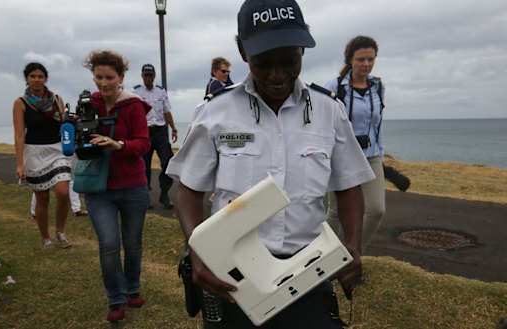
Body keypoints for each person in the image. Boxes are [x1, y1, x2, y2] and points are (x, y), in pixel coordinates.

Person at [166, 1, 375, 328]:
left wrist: (352, 246)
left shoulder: (328, 111)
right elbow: (188, 191)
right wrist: (199, 249)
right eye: (264, 63)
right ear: (243, 51)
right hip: (233, 276)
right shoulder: (215, 113)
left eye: (289, 60)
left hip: (309, 270)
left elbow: (348, 185)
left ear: (303, 50)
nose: (278, 75)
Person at [81, 50, 151, 323]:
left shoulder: (133, 105)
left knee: (132, 244)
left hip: (134, 186)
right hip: (99, 188)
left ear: (121, 78)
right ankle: (116, 298)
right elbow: (76, 144)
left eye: (110, 77)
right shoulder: (88, 104)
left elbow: (144, 144)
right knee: (109, 244)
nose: (104, 83)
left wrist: (118, 145)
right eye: (99, 77)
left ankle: (132, 289)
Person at [325, 35, 386, 253]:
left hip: (371, 156)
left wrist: (381, 153)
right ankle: (322, 259)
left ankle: (351, 257)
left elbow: (377, 125)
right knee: (335, 212)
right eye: (361, 59)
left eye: (371, 59)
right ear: (350, 60)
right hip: (341, 157)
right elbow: (324, 122)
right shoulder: (335, 87)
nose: (366, 64)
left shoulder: (378, 87)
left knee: (376, 210)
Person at [13, 62, 72, 249]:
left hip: (57, 150)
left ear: (45, 78)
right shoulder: (20, 103)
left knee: (63, 193)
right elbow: (19, 134)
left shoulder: (56, 99)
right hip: (34, 152)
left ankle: (60, 231)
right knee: (42, 198)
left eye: (40, 76)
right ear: (26, 79)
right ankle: (45, 237)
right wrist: (20, 163)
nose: (37, 80)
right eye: (33, 76)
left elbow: (64, 124)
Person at [132, 64, 177, 210]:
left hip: (160, 132)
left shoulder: (160, 91)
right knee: (144, 166)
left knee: (168, 162)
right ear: (142, 76)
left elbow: (167, 111)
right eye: (145, 75)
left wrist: (174, 129)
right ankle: (146, 197)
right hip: (144, 132)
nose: (147, 78)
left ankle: (164, 193)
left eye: (150, 75)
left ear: (154, 76)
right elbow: (132, 114)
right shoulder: (135, 92)